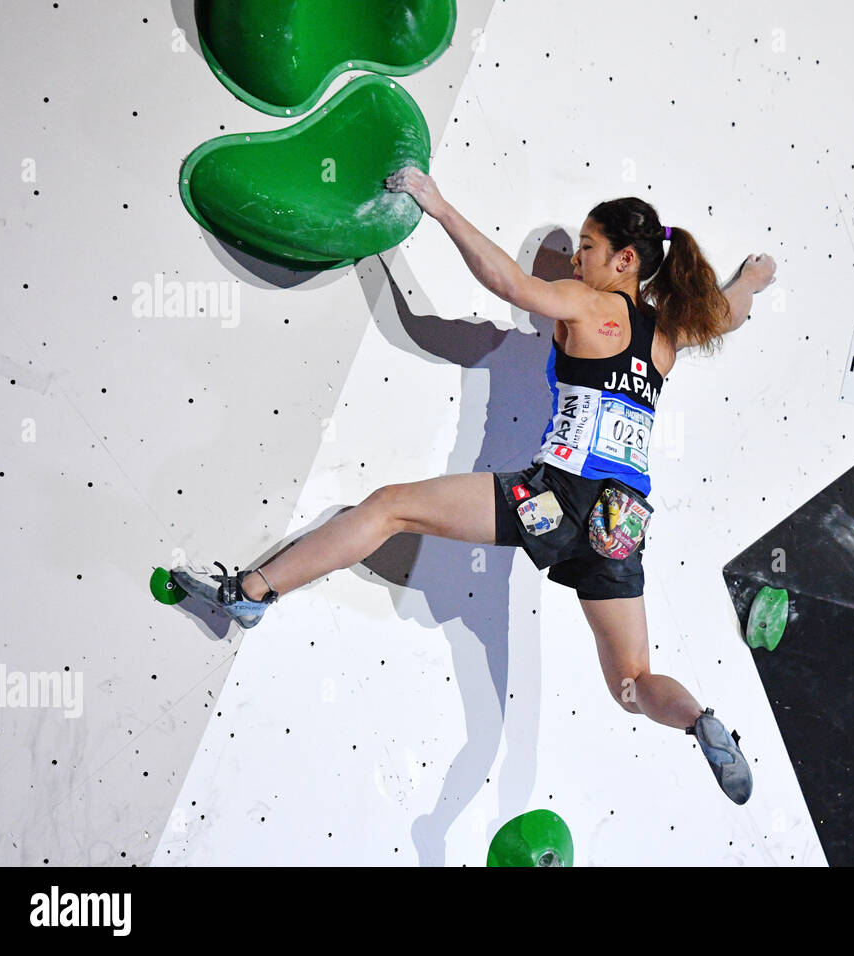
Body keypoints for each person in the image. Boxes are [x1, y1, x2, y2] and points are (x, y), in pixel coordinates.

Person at [172, 167, 777, 804]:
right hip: (622, 524)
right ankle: (700, 720)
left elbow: (506, 282)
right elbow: (727, 315)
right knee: (632, 684)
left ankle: (251, 592)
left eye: (589, 248)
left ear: (627, 260)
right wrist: (754, 280)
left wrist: (437, 205)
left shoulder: (593, 305)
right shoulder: (667, 337)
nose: (576, 260)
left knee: (392, 507)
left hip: (560, 495)